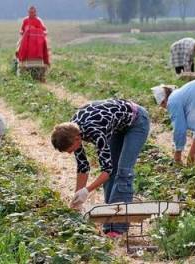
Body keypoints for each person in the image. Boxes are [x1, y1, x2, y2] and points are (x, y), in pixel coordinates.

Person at [51, 99, 150, 237]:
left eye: (69, 149)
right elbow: (83, 166)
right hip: (117, 125)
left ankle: (118, 227)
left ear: (77, 139)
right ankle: (110, 220)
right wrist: (77, 197)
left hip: (137, 122)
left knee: (123, 172)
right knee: (112, 173)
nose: (69, 153)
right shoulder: (71, 130)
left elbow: (106, 170)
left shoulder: (96, 130)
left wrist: (87, 190)